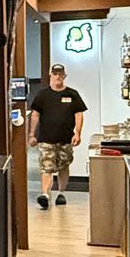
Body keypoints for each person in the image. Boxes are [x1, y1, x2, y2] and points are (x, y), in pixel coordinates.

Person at [26, 63, 87, 209]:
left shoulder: (72, 94)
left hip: (65, 138)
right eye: (55, 74)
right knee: (46, 167)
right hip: (46, 138)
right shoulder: (42, 95)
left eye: (60, 74)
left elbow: (78, 114)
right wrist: (31, 134)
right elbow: (35, 114)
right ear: (50, 76)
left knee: (63, 166)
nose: (58, 77)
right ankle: (45, 194)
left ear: (64, 76)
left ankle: (61, 193)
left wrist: (78, 133)